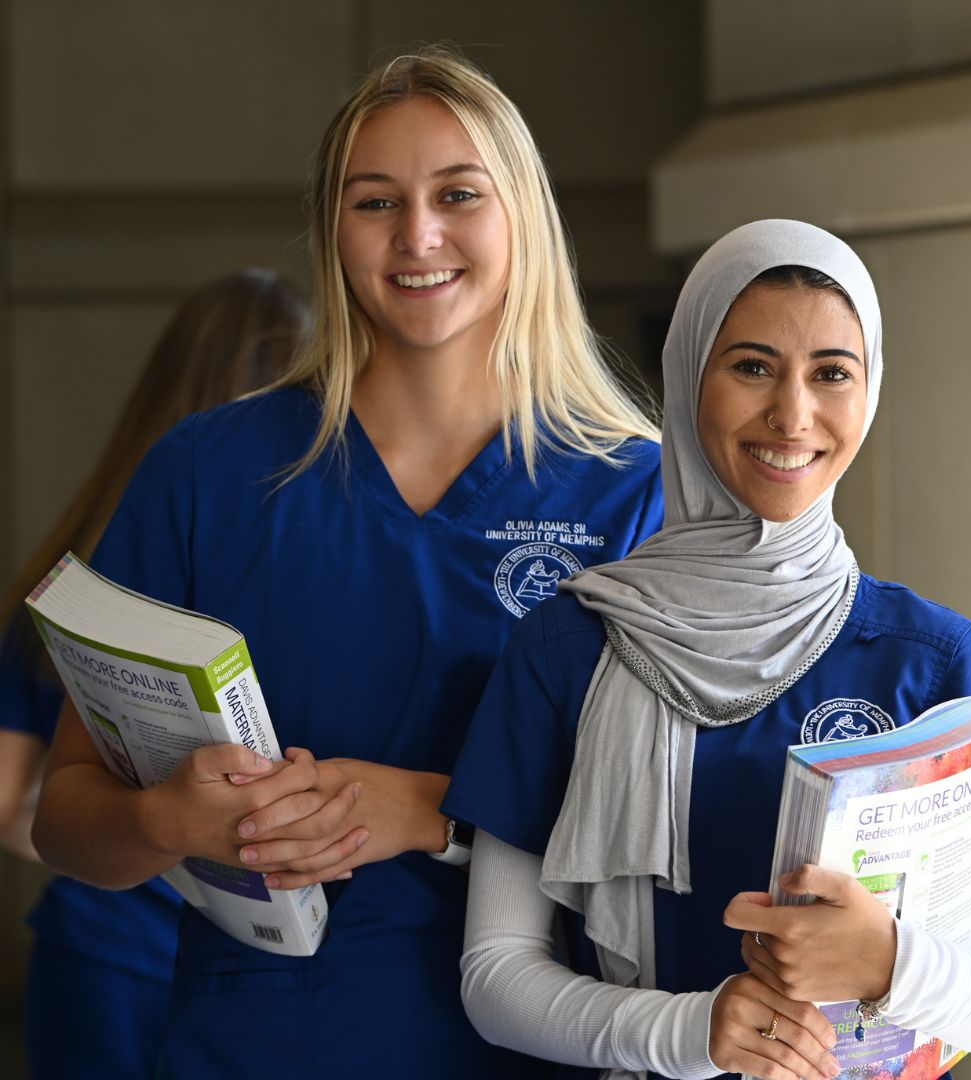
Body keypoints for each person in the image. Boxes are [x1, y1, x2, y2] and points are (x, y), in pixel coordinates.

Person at [31, 48, 664, 1079]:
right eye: (377, 202)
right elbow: (65, 821)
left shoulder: (632, 494)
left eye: (458, 195)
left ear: (524, 219)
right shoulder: (207, 474)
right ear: (334, 228)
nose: (418, 236)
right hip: (259, 1042)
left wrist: (435, 811)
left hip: (536, 1043)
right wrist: (161, 818)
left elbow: (683, 823)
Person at [445, 219, 971, 1080]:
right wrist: (692, 1031)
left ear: (871, 390)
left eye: (832, 374)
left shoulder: (933, 659)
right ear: (686, 379)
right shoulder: (568, 646)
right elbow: (495, 976)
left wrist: (887, 960)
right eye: (751, 367)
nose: (792, 414)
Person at [0, 267, 310, 1078]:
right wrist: (173, 827)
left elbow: (5, 802)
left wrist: (113, 826)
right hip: (228, 954)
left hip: (99, 943)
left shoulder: (76, 558)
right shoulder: (268, 551)